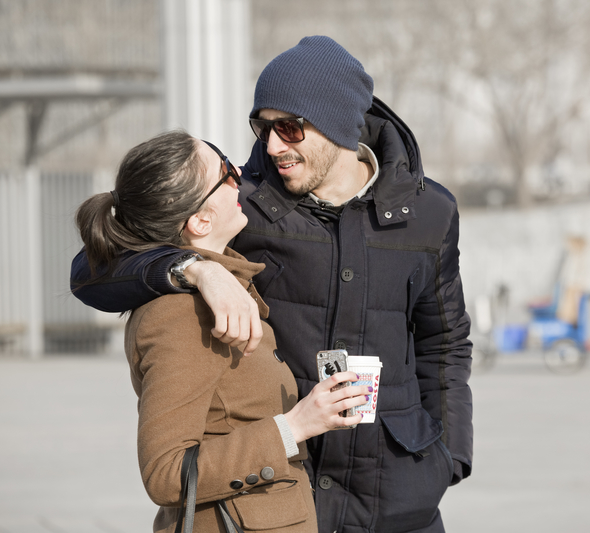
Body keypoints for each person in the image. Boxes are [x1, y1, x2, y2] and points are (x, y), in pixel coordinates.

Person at [72, 36, 473, 532]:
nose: (271, 145)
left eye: (289, 128)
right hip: (286, 495)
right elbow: (93, 267)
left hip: (400, 500)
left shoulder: (430, 212)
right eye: (261, 128)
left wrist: (449, 456)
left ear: (338, 123)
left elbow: (446, 341)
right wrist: (193, 268)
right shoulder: (245, 205)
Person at [74, 129, 370, 532]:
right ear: (200, 220)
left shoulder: (216, 283)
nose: (240, 179)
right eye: (227, 171)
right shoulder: (181, 316)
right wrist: (295, 426)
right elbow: (166, 473)